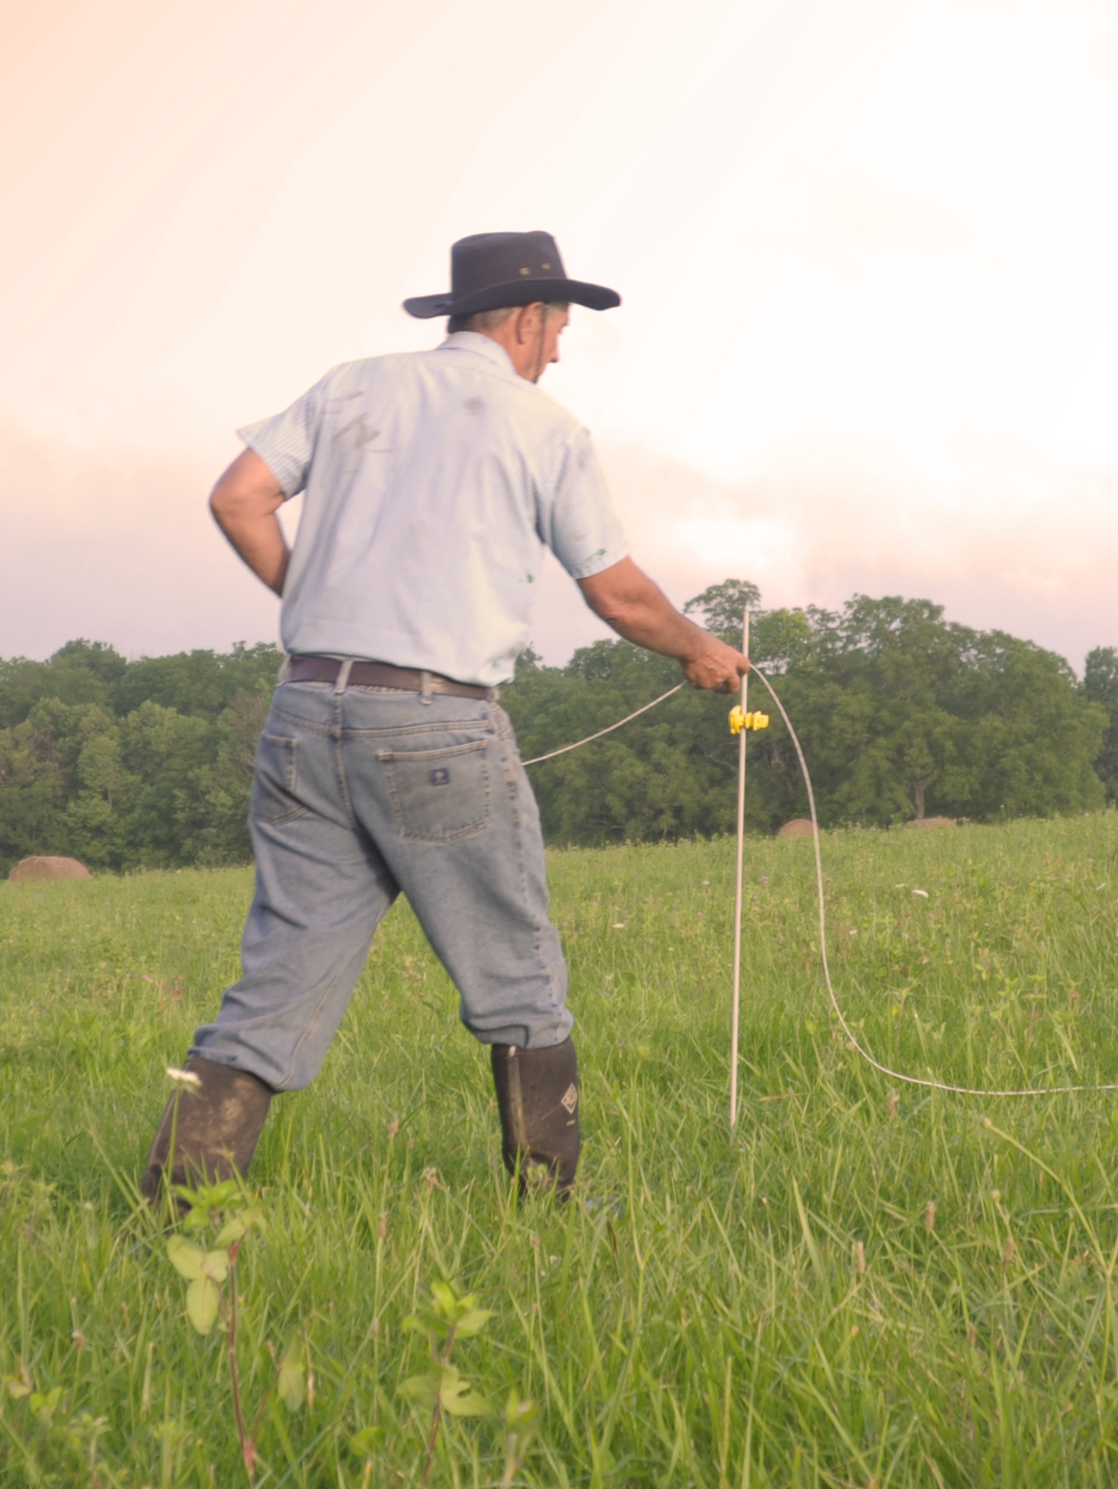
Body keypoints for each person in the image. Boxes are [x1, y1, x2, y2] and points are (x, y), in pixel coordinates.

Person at [142, 230, 749, 1206]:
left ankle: (173, 1217)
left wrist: (316, 602)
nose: (557, 351)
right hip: (436, 724)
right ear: (523, 320)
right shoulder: (545, 427)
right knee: (517, 975)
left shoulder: (350, 386)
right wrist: (700, 648)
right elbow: (620, 595)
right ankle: (551, 1216)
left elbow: (237, 497)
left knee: (275, 985)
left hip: (305, 710)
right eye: (556, 330)